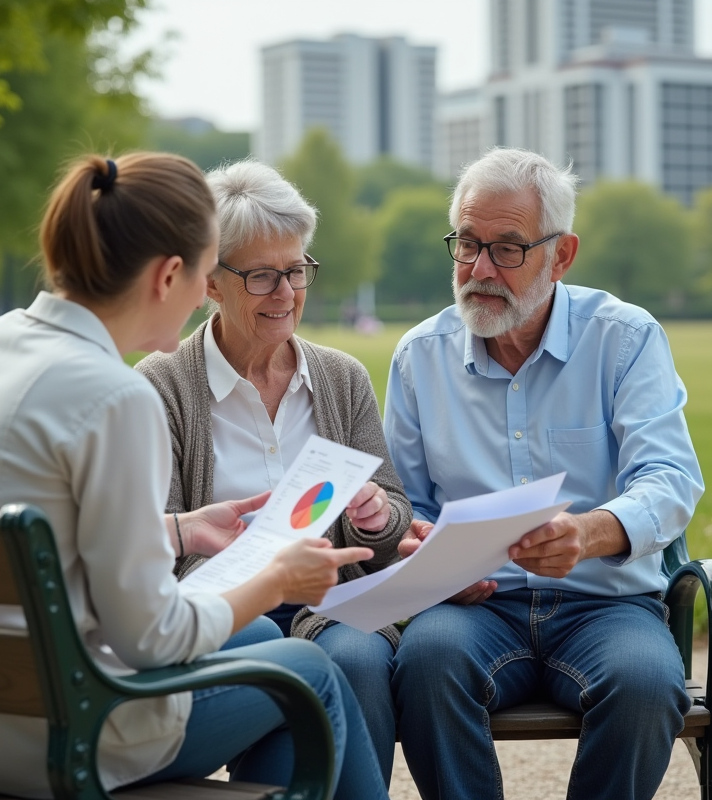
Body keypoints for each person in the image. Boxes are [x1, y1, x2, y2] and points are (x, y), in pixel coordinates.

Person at [0, 152, 389, 800]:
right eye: (207, 273)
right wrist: (276, 579)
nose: (202, 296)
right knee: (306, 672)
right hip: (69, 733)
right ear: (169, 275)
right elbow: (153, 638)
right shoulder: (117, 398)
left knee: (259, 639)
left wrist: (181, 531)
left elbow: (47, 537)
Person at [383, 147, 705, 800]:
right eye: (467, 244)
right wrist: (419, 543)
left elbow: (670, 478)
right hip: (475, 608)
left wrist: (589, 532)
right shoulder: (420, 356)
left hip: (606, 602)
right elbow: (404, 502)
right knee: (424, 664)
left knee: (645, 686)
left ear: (561, 256)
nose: (478, 269)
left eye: (507, 249)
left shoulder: (625, 337)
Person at [137, 159, 412, 785]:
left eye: (297, 270)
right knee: (272, 652)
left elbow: (395, 514)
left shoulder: (341, 378)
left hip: (331, 604)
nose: (286, 294)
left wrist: (374, 515)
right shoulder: (160, 388)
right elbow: (156, 545)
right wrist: (251, 577)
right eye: (263, 275)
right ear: (210, 281)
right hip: (227, 616)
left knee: (359, 656)